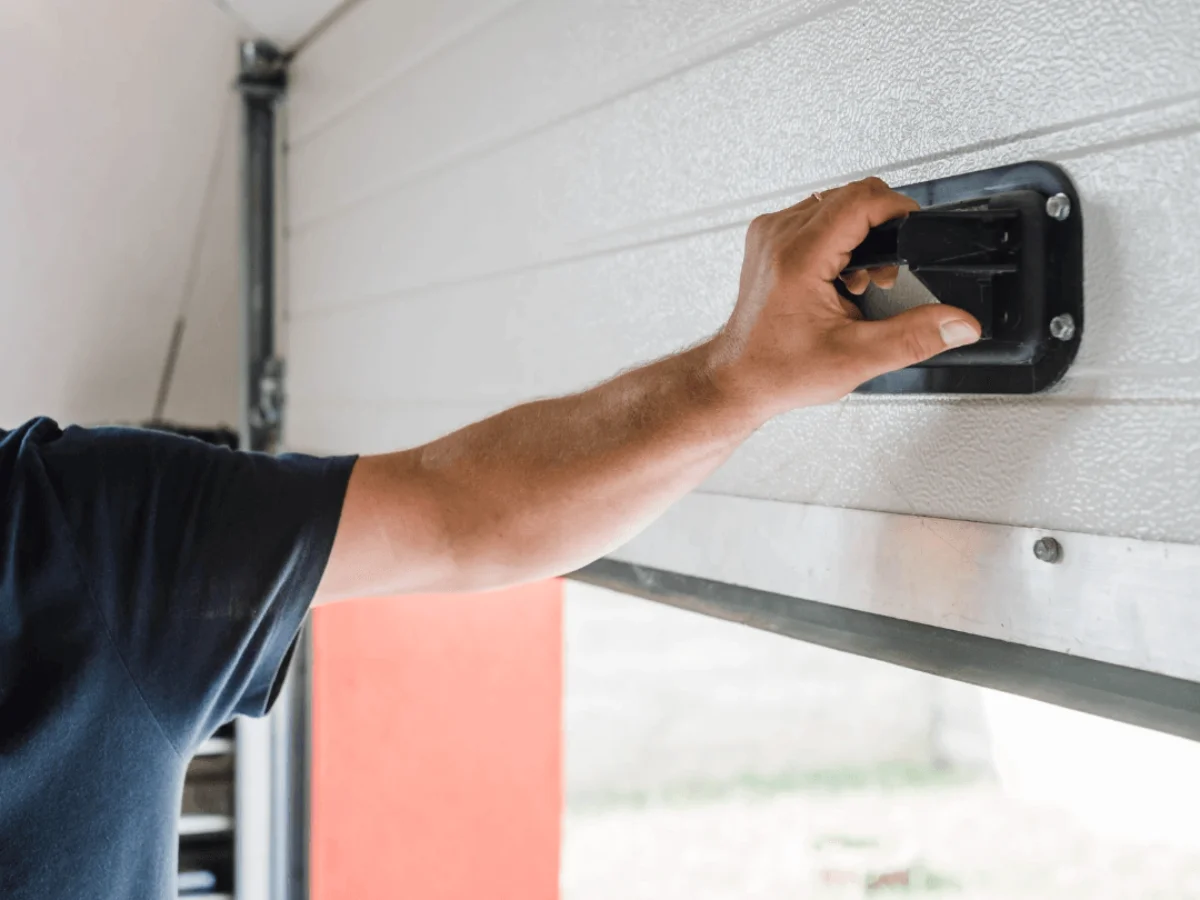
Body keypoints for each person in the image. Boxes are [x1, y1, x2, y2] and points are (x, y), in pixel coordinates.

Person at [0, 178, 980, 898]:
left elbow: (468, 510)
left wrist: (733, 379)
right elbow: (464, 511)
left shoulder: (63, 533)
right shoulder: (69, 527)